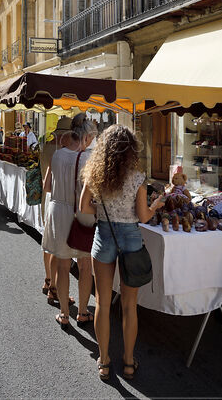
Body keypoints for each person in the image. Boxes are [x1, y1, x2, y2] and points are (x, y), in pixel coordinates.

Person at [80, 125, 165, 381]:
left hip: (104, 235)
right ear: (131, 150)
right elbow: (143, 217)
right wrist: (155, 206)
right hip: (130, 237)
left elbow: (84, 207)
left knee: (103, 304)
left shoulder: (95, 174)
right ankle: (128, 362)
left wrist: (104, 212)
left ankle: (104, 361)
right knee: (129, 306)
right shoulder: (138, 177)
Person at [42, 113, 98, 330]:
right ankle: (83, 312)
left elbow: (48, 187)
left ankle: (64, 313)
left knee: (63, 265)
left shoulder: (57, 155)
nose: (92, 143)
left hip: (58, 211)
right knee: (85, 266)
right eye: (92, 139)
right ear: (85, 138)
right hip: (81, 213)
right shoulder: (88, 159)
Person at [39, 116, 72, 296]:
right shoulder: (60, 152)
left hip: (48, 198)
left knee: (48, 243)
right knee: (57, 247)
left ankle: (48, 280)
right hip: (58, 198)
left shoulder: (47, 147)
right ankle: (55, 288)